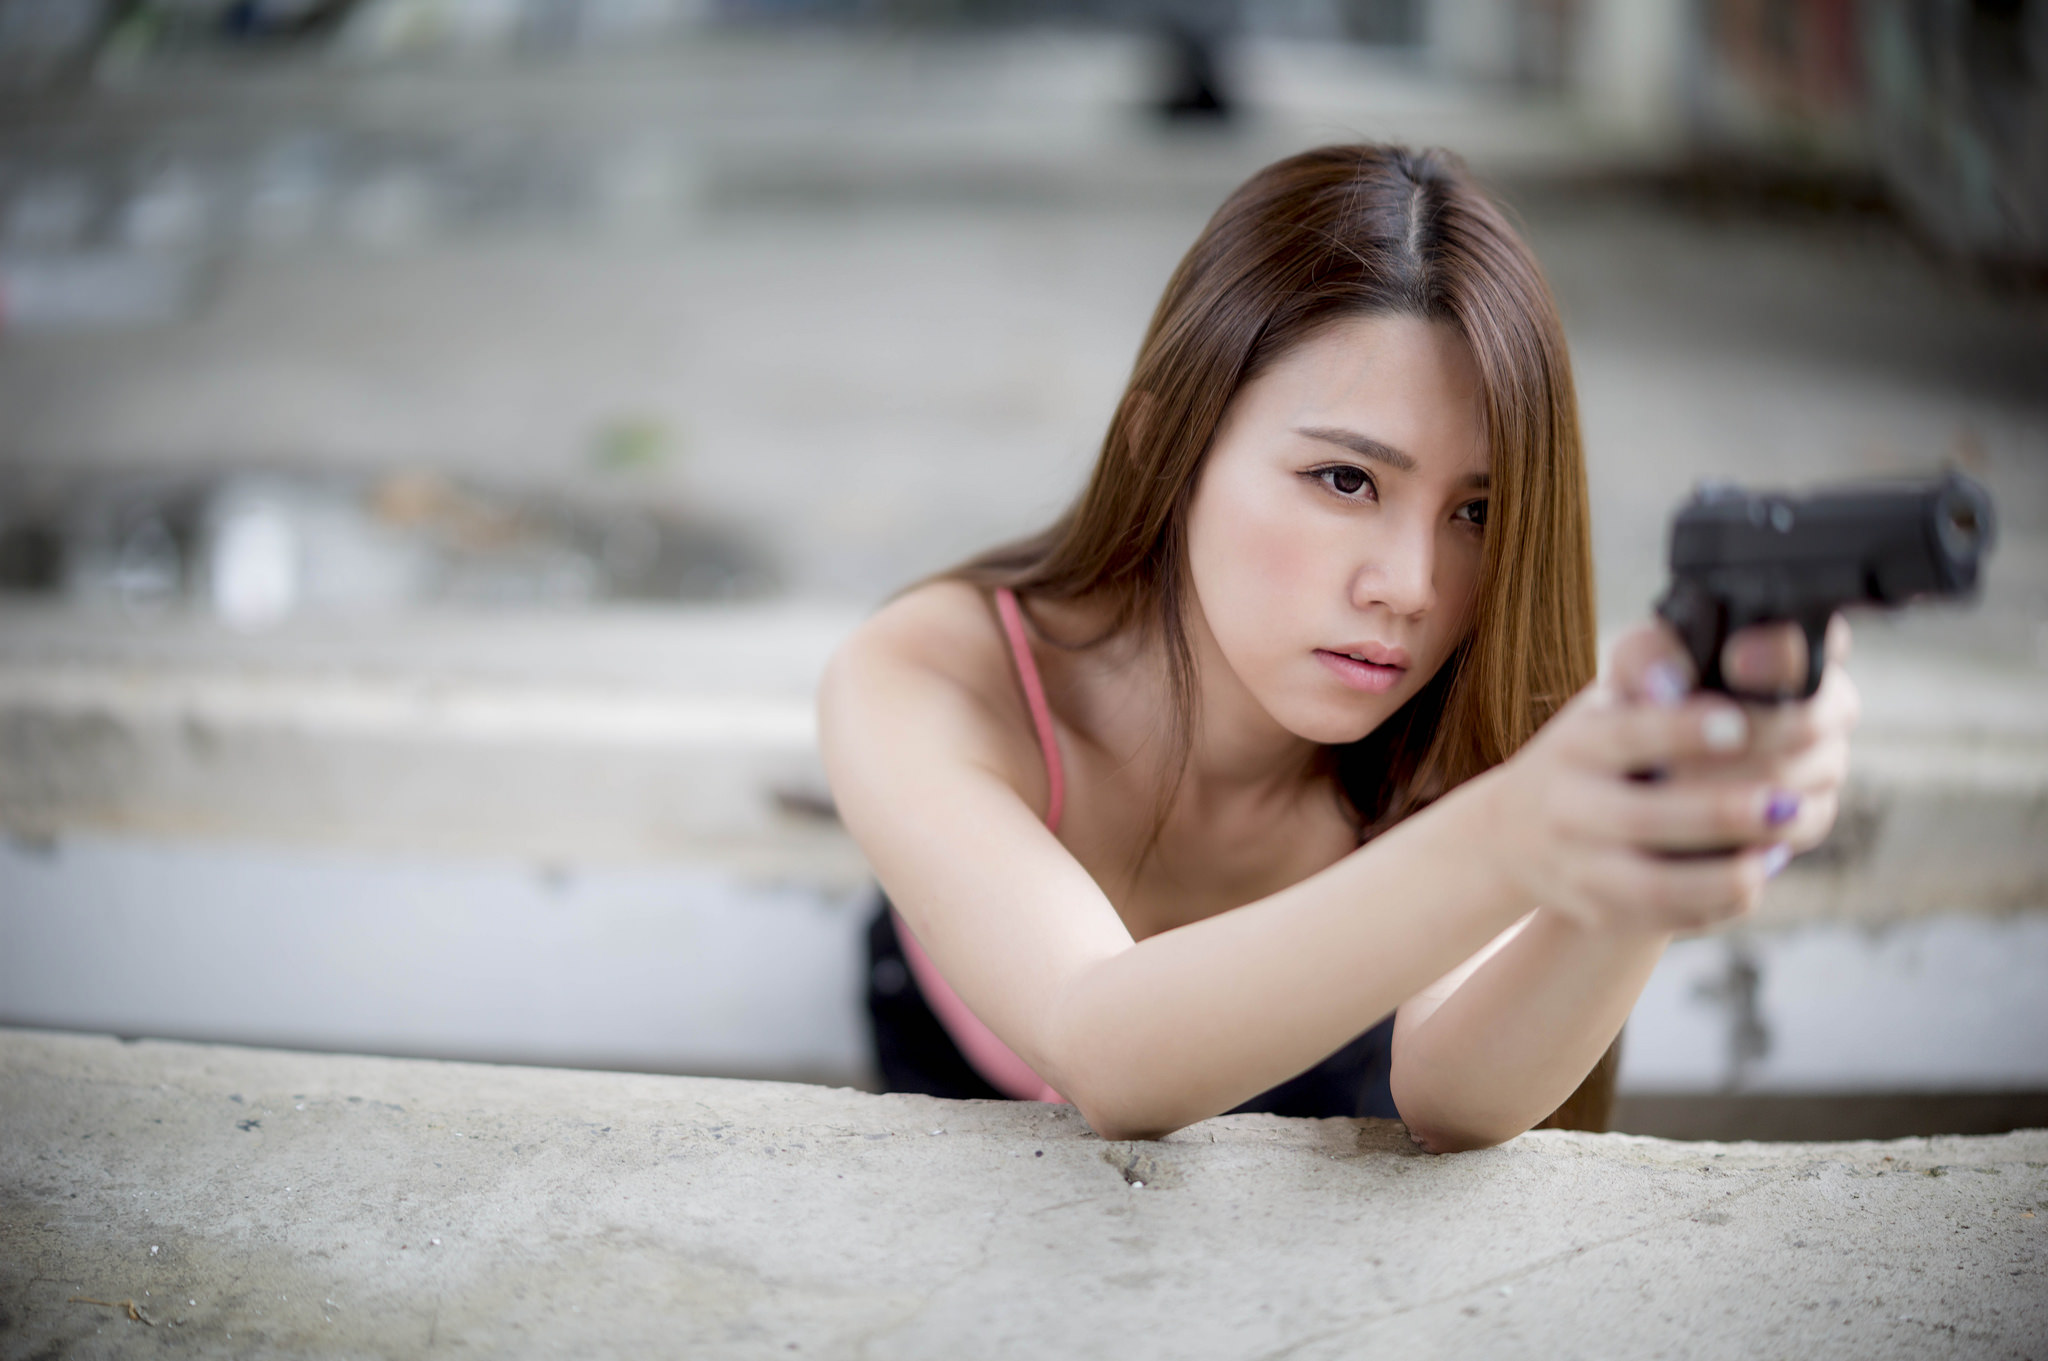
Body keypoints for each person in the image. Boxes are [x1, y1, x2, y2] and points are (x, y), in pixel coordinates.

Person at [818, 144, 1858, 1150]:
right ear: (1163, 450)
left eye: (1476, 512)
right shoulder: (933, 672)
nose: (1410, 588)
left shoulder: (1465, 719)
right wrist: (1520, 827)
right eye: (1345, 480)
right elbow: (1103, 1044)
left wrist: (1649, 851)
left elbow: (1460, 1095)